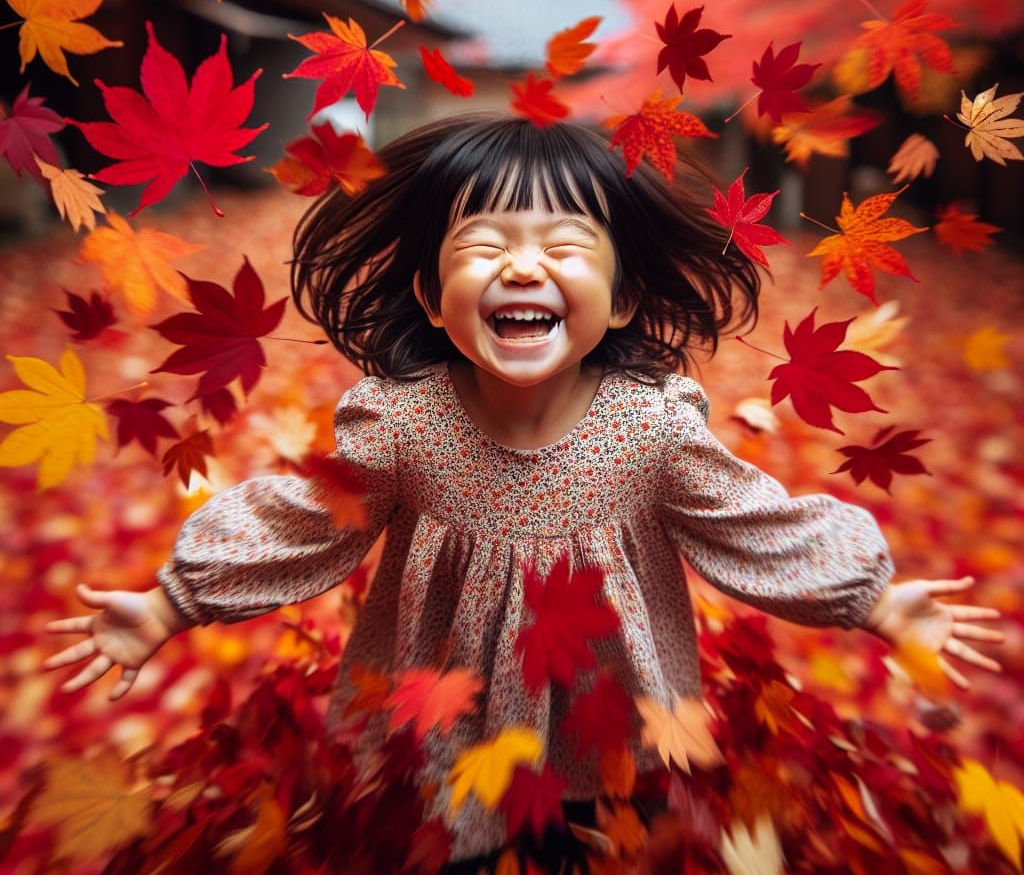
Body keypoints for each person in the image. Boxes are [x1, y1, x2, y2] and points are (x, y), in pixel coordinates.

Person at [43, 113, 1004, 873]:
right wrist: (171, 603)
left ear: (622, 299)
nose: (522, 265)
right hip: (443, 724)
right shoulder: (403, 426)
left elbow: (753, 525)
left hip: (609, 721)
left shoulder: (651, 431)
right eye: (484, 243)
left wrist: (876, 599)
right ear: (432, 297)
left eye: (564, 243)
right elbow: (302, 522)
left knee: (598, 848)